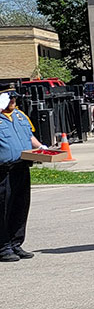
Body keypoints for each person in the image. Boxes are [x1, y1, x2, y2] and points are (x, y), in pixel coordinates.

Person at [0, 88, 44, 263]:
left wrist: (42, 148)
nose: (13, 101)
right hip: (2, 171)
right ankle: (3, 247)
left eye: (14, 98)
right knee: (3, 208)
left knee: (20, 206)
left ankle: (16, 243)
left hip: (22, 167)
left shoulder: (20, 116)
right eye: (9, 98)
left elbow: (30, 136)